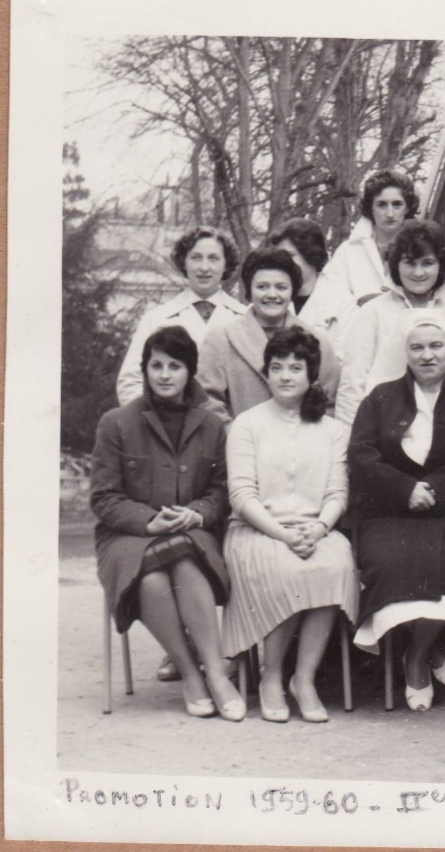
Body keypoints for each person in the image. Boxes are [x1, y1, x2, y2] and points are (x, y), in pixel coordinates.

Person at [349, 314, 445, 710]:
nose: (427, 355)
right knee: (392, 561)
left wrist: (435, 490)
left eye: (436, 346)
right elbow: (361, 456)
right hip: (390, 515)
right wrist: (404, 490)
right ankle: (432, 650)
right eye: (417, 347)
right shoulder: (379, 400)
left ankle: (417, 656)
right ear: (405, 353)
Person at [90, 326, 245, 721]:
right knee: (151, 576)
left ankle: (214, 670)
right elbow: (103, 497)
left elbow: (222, 491)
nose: (164, 375)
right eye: (155, 365)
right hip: (128, 537)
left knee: (184, 559)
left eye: (174, 366)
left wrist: (197, 512)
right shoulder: (116, 422)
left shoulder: (211, 424)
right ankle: (191, 673)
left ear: (189, 372)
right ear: (144, 370)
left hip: (191, 530)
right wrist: (148, 521)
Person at [220, 328, 357, 724]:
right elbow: (241, 496)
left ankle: (304, 677)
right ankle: (271, 675)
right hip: (256, 530)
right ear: (266, 373)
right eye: (276, 367)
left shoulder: (332, 431)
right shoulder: (246, 425)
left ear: (311, 375)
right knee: (286, 568)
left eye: (295, 368)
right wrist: (281, 534)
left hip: (316, 528)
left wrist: (318, 529)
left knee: (334, 563)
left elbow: (337, 493)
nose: (285, 375)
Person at [334, 220, 445, 426]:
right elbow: (353, 385)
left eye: (427, 263)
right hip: (384, 429)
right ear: (396, 264)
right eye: (410, 262)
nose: (418, 273)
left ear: (440, 264)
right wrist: (352, 444)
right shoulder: (372, 313)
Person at [197, 248, 341, 421]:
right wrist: (237, 439)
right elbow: (207, 401)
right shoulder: (221, 339)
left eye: (281, 287)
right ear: (249, 291)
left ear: (292, 291)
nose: (272, 295)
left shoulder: (317, 341)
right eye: (262, 287)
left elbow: (329, 403)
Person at [115, 226, 245, 406]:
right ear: (184, 262)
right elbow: (130, 383)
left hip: (230, 428)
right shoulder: (157, 319)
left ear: (226, 264)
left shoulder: (243, 318)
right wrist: (157, 424)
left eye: (213, 258)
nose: (204, 267)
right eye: (196, 257)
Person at [322, 169, 419, 351]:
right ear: (370, 208)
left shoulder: (421, 250)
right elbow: (331, 301)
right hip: (358, 345)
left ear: (407, 208)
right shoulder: (349, 252)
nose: (390, 213)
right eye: (382, 205)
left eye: (397, 204)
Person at [267, 217, 341, 332]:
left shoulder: (340, 303)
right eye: (278, 256)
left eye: (289, 255)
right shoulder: (268, 299)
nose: (281, 262)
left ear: (311, 255)